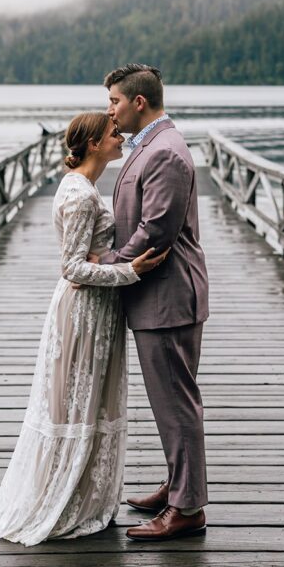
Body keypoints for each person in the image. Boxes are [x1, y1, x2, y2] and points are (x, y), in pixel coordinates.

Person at [0, 111, 167, 546]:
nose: (121, 137)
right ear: (95, 144)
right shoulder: (80, 195)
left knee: (89, 403)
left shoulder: (84, 187)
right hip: (84, 312)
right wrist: (130, 270)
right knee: (75, 404)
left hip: (99, 310)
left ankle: (88, 495)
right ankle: (67, 498)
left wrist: (111, 259)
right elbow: (72, 268)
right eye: (113, 133)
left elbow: (87, 257)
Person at [98, 63, 210, 541]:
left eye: (115, 103)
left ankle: (187, 509)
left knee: (176, 403)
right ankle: (176, 485)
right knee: (170, 400)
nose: (111, 113)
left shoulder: (164, 152)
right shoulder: (151, 145)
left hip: (167, 296)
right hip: (159, 297)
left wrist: (107, 266)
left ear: (138, 102)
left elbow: (156, 231)